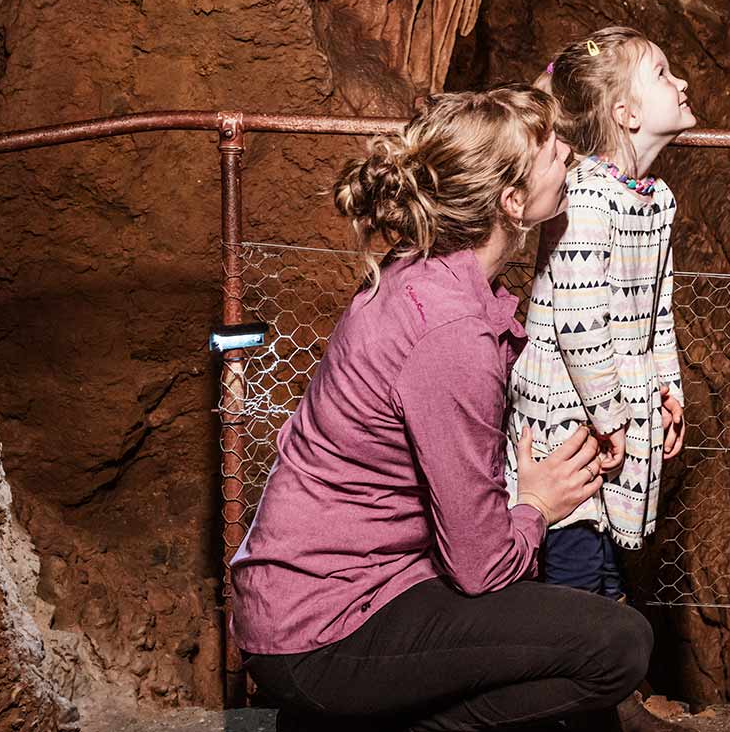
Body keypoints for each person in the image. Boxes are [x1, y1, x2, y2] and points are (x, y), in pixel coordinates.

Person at [230, 85, 653, 731]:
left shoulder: (421, 274)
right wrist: (536, 506)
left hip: (346, 593)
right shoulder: (450, 334)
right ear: (512, 202)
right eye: (551, 151)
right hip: (326, 629)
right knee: (617, 646)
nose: (568, 154)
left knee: (554, 650)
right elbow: (480, 568)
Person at [507, 27, 695, 600]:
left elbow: (657, 307)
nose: (681, 81)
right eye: (663, 74)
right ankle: (567, 676)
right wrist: (611, 416)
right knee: (575, 556)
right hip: (567, 407)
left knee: (611, 560)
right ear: (626, 113)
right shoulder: (585, 198)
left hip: (618, 402)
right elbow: (579, 326)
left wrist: (669, 388)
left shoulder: (653, 201)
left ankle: (601, 677)